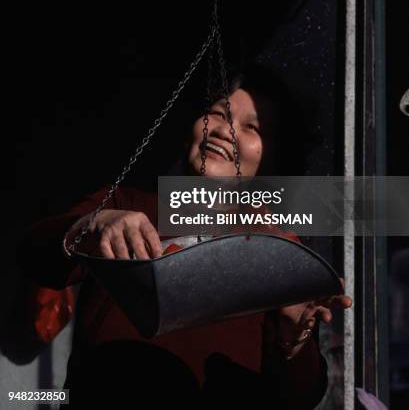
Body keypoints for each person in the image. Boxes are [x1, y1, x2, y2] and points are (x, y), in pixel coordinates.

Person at [16, 66, 352, 407]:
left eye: (252, 127)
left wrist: (293, 339)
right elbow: (33, 255)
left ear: (275, 160)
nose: (224, 131)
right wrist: (91, 226)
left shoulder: (279, 251)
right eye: (219, 113)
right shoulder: (128, 206)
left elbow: (300, 397)